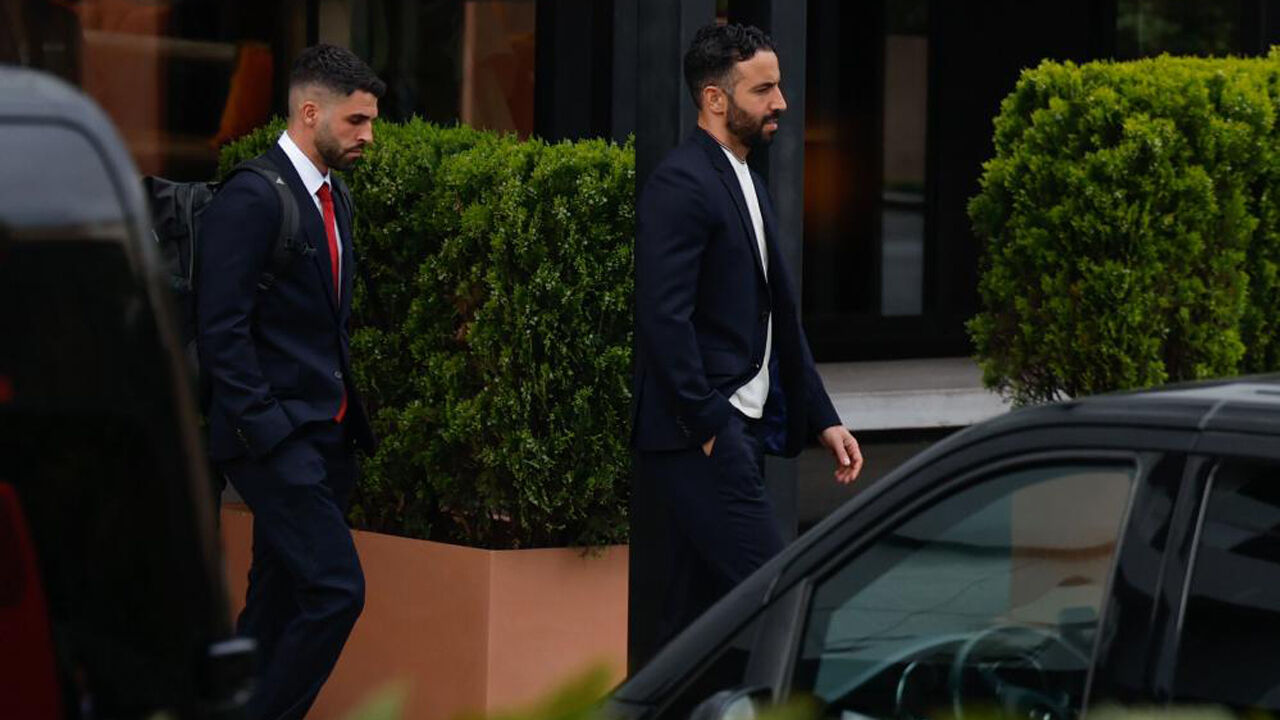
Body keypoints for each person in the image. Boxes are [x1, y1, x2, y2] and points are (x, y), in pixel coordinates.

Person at [633, 23, 864, 643]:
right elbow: (663, 317)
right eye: (763, 90)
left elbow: (778, 316)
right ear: (715, 98)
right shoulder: (681, 181)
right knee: (781, 597)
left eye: (778, 87)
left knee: (692, 623)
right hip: (704, 436)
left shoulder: (746, 179)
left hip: (739, 430)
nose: (780, 102)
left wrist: (823, 417)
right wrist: (711, 427)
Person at [197, 44, 383, 720]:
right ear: (310, 113)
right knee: (337, 590)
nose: (369, 136)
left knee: (274, 603)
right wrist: (268, 431)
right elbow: (221, 331)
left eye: (371, 121)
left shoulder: (337, 199)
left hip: (325, 439)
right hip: (275, 440)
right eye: (357, 121)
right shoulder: (251, 197)